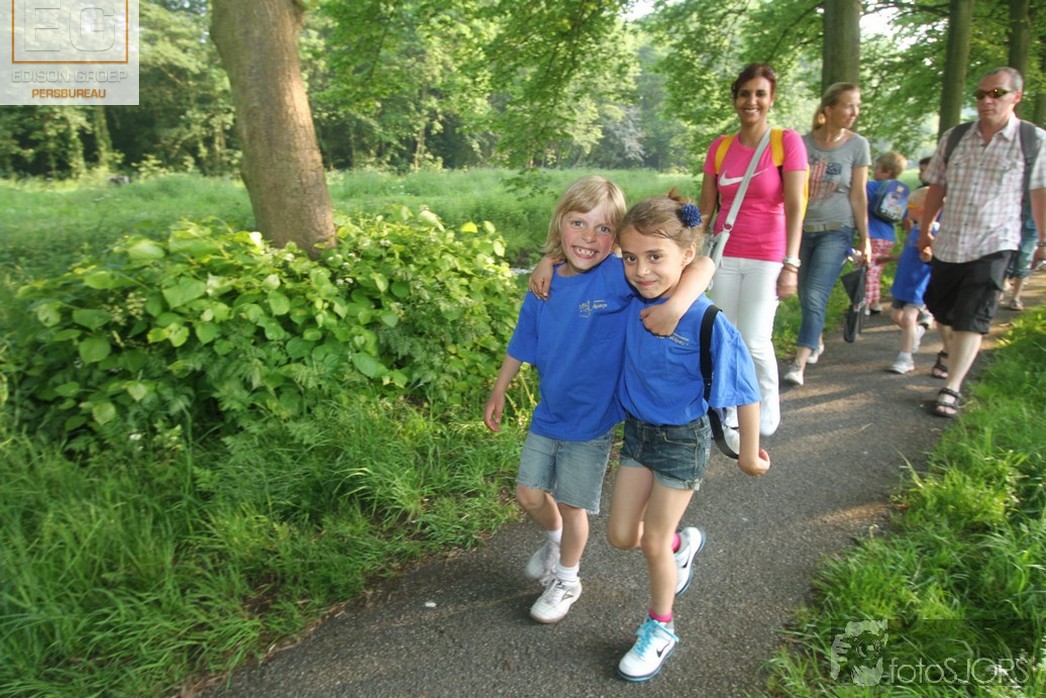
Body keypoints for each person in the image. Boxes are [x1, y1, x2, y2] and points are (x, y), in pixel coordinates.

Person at [484, 176, 714, 625]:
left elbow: (701, 264)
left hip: (594, 421)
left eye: (603, 229)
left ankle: (567, 579)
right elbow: (523, 339)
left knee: (574, 506)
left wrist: (675, 306)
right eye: (578, 223)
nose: (589, 237)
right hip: (549, 413)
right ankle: (556, 541)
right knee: (528, 495)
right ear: (560, 223)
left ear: (617, 239)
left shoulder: (618, 275)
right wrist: (499, 388)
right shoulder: (544, 283)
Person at [607, 193, 770, 682]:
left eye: (655, 257)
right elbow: (581, 263)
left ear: (686, 255)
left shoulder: (707, 320)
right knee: (622, 536)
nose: (641, 270)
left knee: (652, 541)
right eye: (631, 258)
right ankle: (683, 543)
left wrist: (748, 454)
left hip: (683, 440)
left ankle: (661, 628)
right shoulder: (629, 298)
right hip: (638, 435)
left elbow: (746, 389)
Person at [918, 67, 1046, 418]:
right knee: (940, 309)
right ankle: (949, 351)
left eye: (997, 93)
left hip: (996, 242)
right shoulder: (955, 137)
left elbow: (1039, 193)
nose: (987, 100)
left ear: (1016, 97)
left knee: (972, 317)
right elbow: (937, 187)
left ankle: (951, 388)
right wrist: (925, 230)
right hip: (950, 241)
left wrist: (1043, 240)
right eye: (981, 94)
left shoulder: (1033, 141)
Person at [696, 63, 807, 438]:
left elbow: (796, 207)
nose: (751, 101)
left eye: (760, 94)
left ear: (771, 99)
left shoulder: (785, 143)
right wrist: (688, 249)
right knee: (725, 337)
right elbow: (706, 209)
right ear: (735, 99)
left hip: (768, 256)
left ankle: (766, 412)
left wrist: (791, 264)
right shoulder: (720, 147)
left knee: (755, 339)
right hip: (725, 255)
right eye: (744, 94)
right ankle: (729, 410)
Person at [783, 83, 871, 387]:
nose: (854, 112)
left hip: (836, 230)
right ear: (829, 109)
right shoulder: (801, 144)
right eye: (848, 105)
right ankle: (815, 337)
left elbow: (858, 195)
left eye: (857, 106)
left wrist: (865, 239)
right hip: (801, 230)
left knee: (814, 294)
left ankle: (798, 362)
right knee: (805, 294)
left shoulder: (858, 145)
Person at [886, 184, 937, 374]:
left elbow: (934, 255)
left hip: (918, 285)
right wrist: (888, 258)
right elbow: (907, 254)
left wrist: (929, 256)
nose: (908, 210)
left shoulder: (934, 231)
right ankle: (917, 332)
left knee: (908, 318)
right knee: (896, 317)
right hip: (903, 282)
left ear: (922, 210)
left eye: (911, 207)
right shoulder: (915, 230)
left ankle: (905, 358)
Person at [865, 151, 908, 315]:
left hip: (872, 234)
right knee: (877, 269)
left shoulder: (872, 186)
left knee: (867, 270)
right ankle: (875, 302)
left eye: (877, 168)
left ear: (887, 171)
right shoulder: (900, 190)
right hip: (889, 236)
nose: (874, 171)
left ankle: (864, 304)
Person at [1001, 203, 1039, 311]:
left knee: (1024, 261)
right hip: (1010, 225)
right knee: (1005, 259)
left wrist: (1042, 242)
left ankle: (1015, 298)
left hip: (1031, 229)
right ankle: (1000, 290)